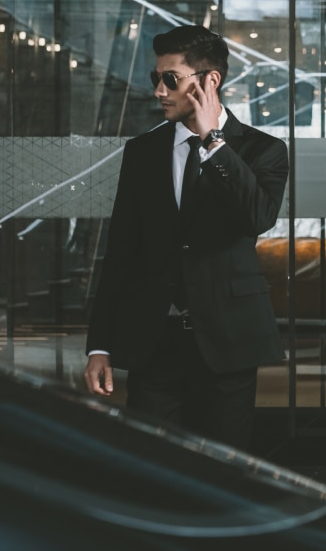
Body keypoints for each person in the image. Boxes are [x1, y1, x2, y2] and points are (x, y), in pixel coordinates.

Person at [83, 25, 287, 450]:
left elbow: (257, 217)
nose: (159, 90)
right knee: (151, 465)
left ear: (209, 81)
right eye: (155, 78)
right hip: (153, 341)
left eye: (170, 79)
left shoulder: (261, 150)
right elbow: (121, 252)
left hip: (228, 339)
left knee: (223, 468)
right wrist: (98, 345)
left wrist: (214, 141)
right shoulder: (143, 152)